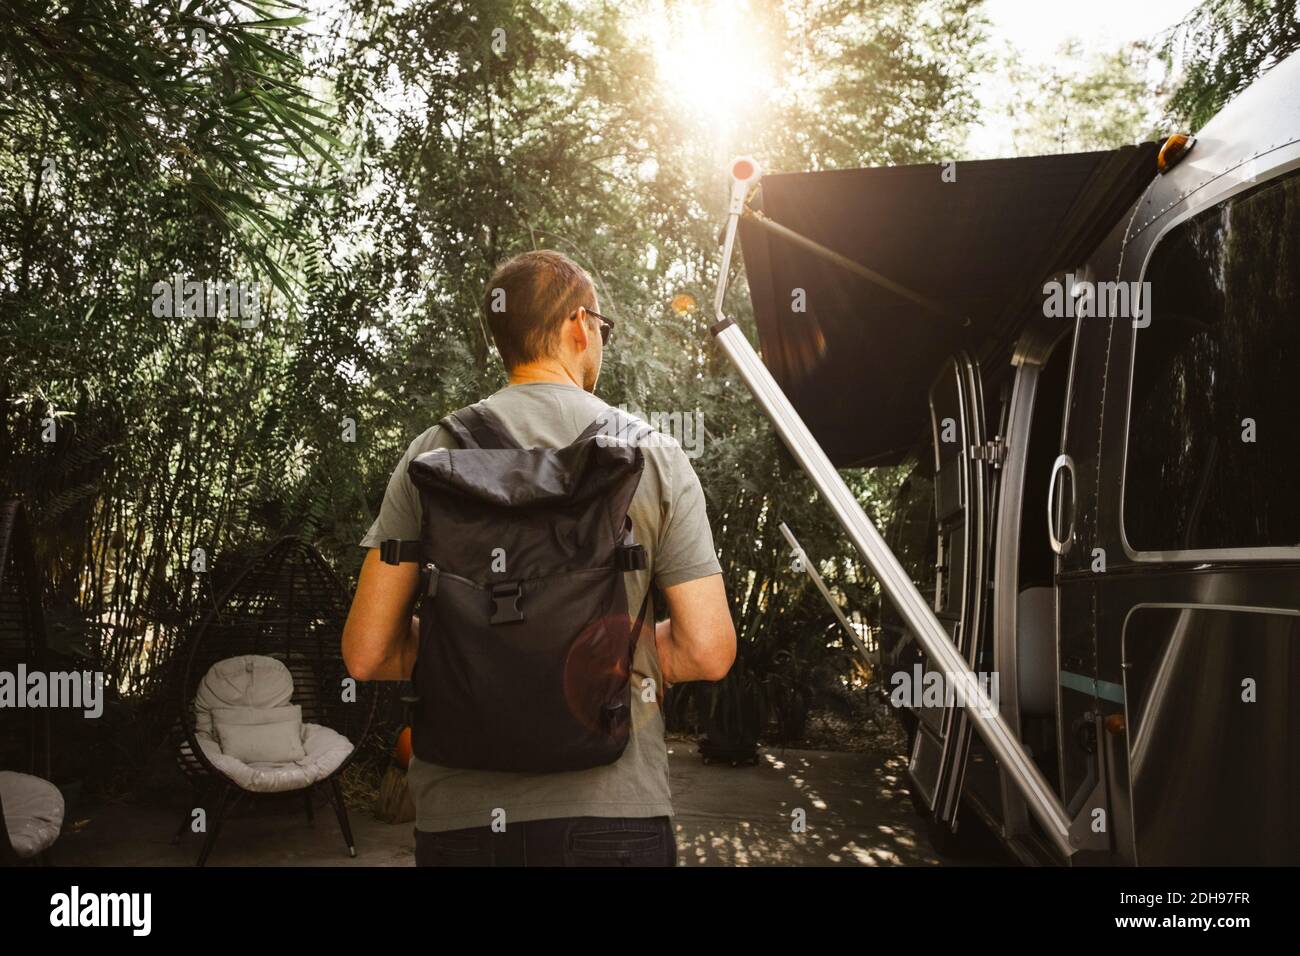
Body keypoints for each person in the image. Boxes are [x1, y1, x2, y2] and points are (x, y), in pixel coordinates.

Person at [342, 249, 736, 866]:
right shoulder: (652, 455)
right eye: (603, 328)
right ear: (580, 325)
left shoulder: (432, 453)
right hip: (614, 818)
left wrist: (478, 654)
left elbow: (367, 653)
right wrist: (607, 657)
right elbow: (708, 650)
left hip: (463, 824)